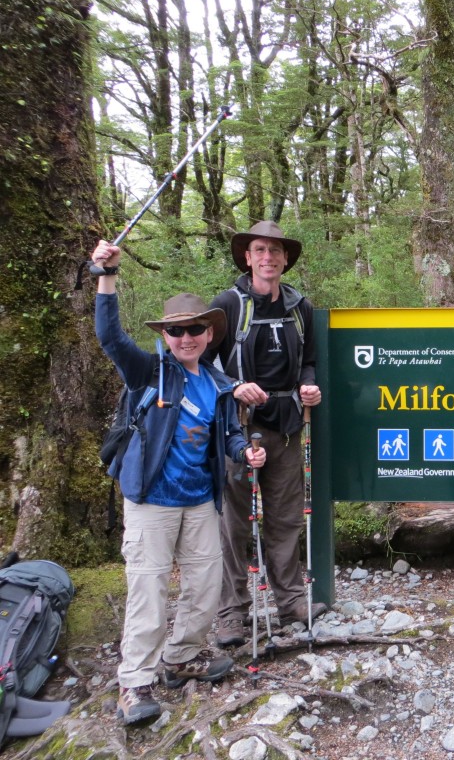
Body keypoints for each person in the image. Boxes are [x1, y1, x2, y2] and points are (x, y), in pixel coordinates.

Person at [91, 240, 265, 726]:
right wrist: (105, 274)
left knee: (206, 585)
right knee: (148, 591)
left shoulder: (217, 382)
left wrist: (245, 452)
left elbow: (229, 436)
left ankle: (180, 659)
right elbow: (109, 337)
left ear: (208, 334)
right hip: (151, 502)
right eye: (176, 330)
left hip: (199, 503)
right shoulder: (147, 372)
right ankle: (135, 681)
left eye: (193, 329)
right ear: (165, 335)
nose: (185, 337)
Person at [205, 221, 325, 648]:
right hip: (240, 427)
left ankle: (292, 600)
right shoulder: (227, 306)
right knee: (234, 523)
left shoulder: (299, 306)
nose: (268, 258)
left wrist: (308, 386)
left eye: (275, 251)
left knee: (286, 516)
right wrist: (233, 386)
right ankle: (231, 614)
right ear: (247, 257)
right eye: (260, 250)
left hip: (288, 425)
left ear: (285, 259)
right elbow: (201, 364)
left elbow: (308, 358)